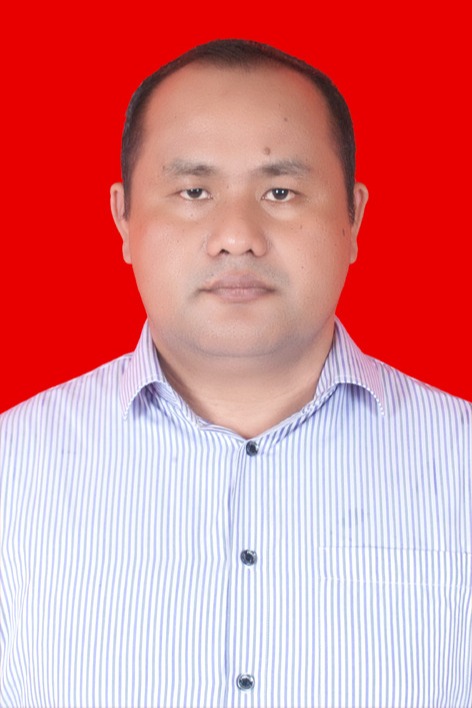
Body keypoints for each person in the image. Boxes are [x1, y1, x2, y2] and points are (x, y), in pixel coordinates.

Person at [0, 38, 470, 708]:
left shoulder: (460, 461)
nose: (237, 236)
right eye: (194, 191)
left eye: (280, 191)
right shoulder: (13, 469)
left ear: (354, 217)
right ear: (123, 218)